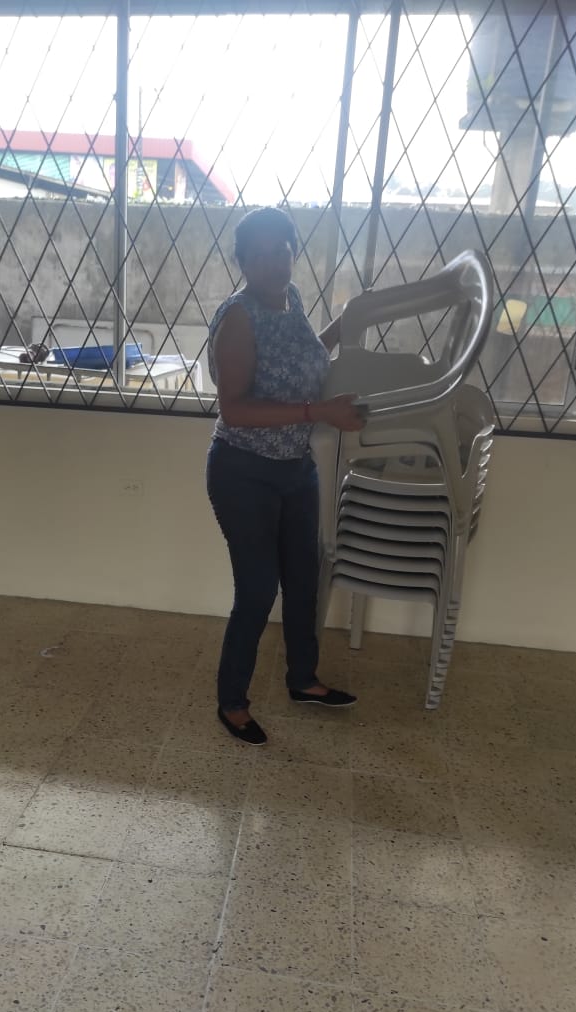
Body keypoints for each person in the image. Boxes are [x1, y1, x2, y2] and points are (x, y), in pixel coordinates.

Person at [206, 206, 366, 746]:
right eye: (261, 255)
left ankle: (303, 680)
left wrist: (345, 324)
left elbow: (304, 355)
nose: (275, 263)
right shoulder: (238, 317)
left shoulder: (290, 299)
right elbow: (234, 409)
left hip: (296, 469)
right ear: (242, 261)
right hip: (243, 472)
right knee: (257, 590)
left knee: (304, 579)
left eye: (283, 251)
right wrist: (321, 413)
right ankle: (232, 702)